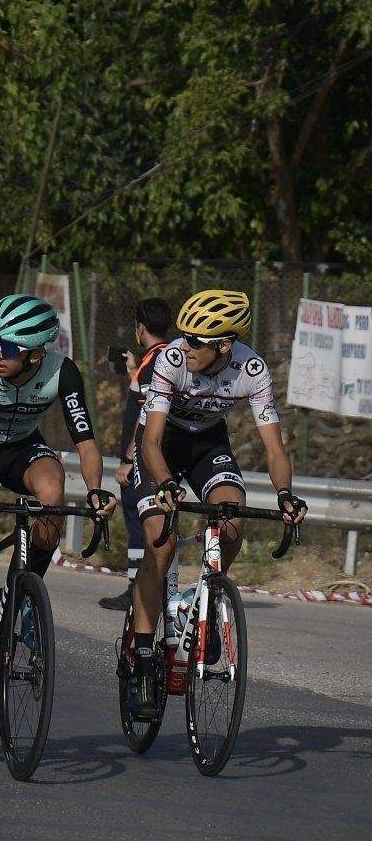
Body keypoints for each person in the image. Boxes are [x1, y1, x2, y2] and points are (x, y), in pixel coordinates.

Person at [0, 293, 113, 731]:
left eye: (9, 348)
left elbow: (85, 441)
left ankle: (20, 596)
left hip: (21, 451)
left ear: (36, 354)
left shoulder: (62, 371)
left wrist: (95, 491)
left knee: (52, 492)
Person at [122, 290, 305, 713]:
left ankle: (208, 598)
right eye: (183, 336)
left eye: (196, 341)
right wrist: (165, 482)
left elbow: (274, 449)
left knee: (232, 518)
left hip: (207, 445)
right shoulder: (171, 359)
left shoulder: (252, 369)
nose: (184, 346)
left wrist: (284, 494)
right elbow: (148, 440)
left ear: (224, 345)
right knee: (161, 546)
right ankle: (145, 656)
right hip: (160, 446)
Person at [100, 297, 173, 612]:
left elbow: (145, 411)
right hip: (151, 453)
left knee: (137, 516)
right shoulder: (159, 359)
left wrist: (128, 460)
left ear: (140, 327)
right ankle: (144, 585)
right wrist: (133, 370)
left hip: (143, 456)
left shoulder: (153, 363)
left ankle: (137, 588)